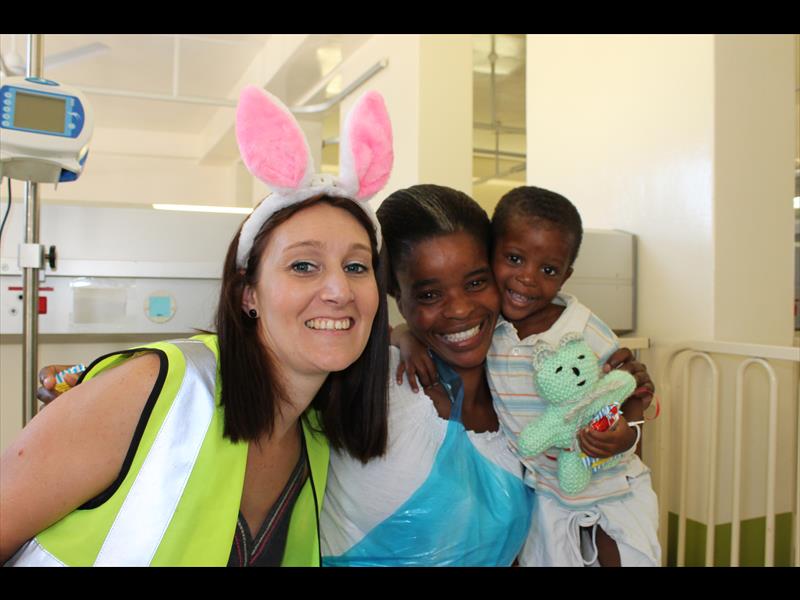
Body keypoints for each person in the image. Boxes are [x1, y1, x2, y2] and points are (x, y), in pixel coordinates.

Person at [0, 85, 395, 566]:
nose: (339, 290)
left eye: (356, 267)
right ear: (248, 294)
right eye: (303, 266)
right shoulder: (156, 388)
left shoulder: (314, 439)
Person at [319, 184, 654, 566]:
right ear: (394, 290)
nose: (460, 309)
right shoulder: (371, 385)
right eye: (429, 294)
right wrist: (398, 335)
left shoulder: (530, 384)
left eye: (476, 282)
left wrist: (628, 409)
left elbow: (615, 459)